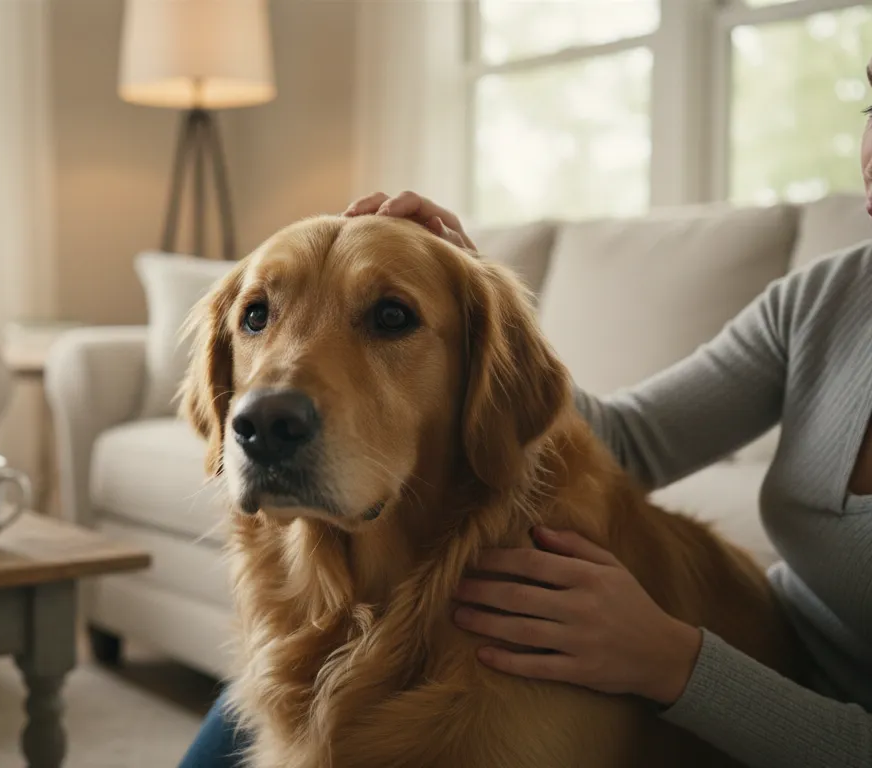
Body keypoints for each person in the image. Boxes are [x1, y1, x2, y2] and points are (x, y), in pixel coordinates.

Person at [177, 56, 872, 768]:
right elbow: (630, 440)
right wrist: (472, 303)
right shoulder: (833, 298)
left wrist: (675, 664)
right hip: (781, 633)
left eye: (389, 317)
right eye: (259, 315)